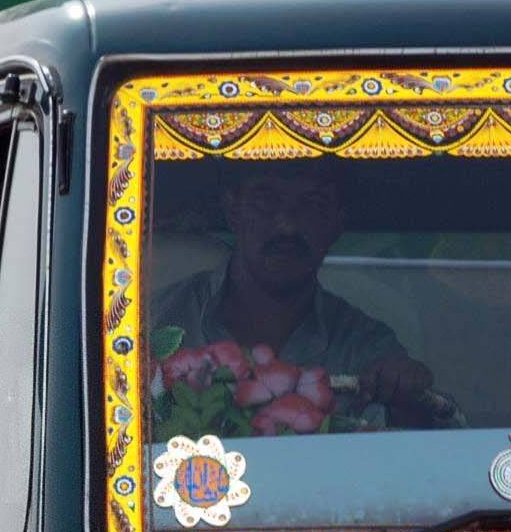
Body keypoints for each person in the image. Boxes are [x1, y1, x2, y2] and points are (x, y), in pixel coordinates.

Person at [149, 167, 439, 423]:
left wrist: (410, 401)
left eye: (313, 204)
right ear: (232, 210)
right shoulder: (151, 323)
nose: (287, 224)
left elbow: (427, 455)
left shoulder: (364, 347)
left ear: (337, 222)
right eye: (266, 199)